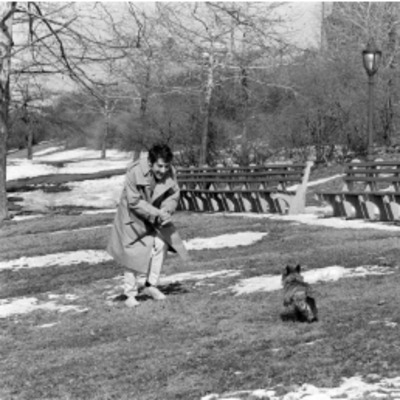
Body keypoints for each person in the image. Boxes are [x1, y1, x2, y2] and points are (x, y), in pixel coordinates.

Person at [107, 143, 189, 307]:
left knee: (161, 244)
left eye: (166, 166)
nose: (163, 170)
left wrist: (166, 210)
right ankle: (130, 294)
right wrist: (157, 213)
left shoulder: (170, 172)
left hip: (156, 216)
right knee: (133, 254)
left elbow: (173, 195)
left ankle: (151, 285)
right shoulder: (134, 171)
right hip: (132, 217)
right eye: (160, 166)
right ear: (151, 163)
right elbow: (134, 201)